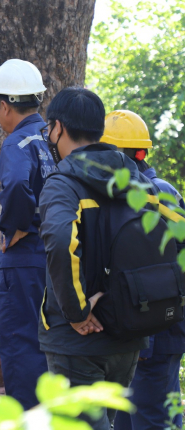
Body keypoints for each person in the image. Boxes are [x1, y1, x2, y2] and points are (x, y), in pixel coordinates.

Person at [37, 87, 185, 430]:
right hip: (128, 337)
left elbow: (61, 241)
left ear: (58, 128)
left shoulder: (63, 184)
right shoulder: (137, 182)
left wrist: (78, 311)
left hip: (76, 340)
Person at [103, 110, 185, 429]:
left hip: (156, 335)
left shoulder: (152, 196)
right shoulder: (151, 192)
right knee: (129, 418)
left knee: (154, 418)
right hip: (142, 333)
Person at [0, 59, 56, 409]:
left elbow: (15, 184)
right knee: (52, 350)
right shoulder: (53, 140)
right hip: (57, 256)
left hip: (25, 259)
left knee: (22, 347)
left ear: (4, 105)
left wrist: (14, 228)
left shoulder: (17, 143)